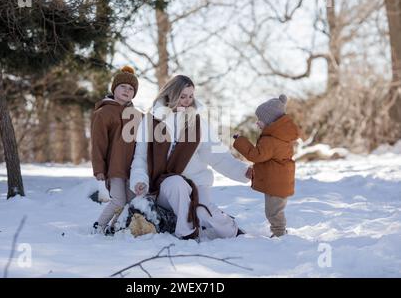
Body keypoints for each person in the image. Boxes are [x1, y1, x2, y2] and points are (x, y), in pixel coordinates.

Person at [130, 75, 252, 240]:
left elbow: (217, 155)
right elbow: (141, 158)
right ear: (171, 95)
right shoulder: (151, 122)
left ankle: (234, 232)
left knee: (202, 210)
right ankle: (186, 233)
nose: (187, 100)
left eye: (191, 96)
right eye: (182, 96)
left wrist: (242, 171)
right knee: (176, 183)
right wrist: (139, 180)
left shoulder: (198, 123)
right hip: (163, 186)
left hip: (197, 182)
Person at [233, 94, 300, 237]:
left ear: (270, 121)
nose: (257, 123)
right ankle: (279, 232)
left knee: (273, 211)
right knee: (275, 210)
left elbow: (255, 155)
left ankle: (280, 234)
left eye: (260, 120)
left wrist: (240, 141)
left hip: (276, 183)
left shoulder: (271, 140)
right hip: (280, 181)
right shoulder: (282, 137)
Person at [91, 66, 142, 235]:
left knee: (131, 201)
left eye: (131, 89)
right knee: (119, 200)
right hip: (115, 167)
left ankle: (115, 227)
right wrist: (99, 169)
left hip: (134, 167)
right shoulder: (104, 112)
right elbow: (98, 143)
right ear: (114, 88)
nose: (127, 91)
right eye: (123, 87)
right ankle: (99, 226)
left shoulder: (137, 115)